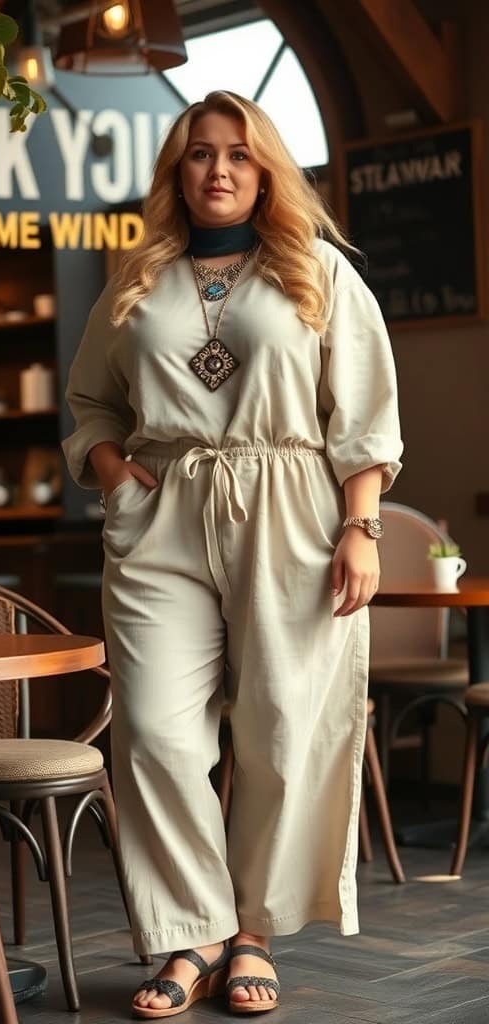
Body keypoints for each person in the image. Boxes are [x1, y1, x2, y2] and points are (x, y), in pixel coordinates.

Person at [62, 90, 403, 1019]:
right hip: (161, 511)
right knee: (156, 730)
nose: (219, 170)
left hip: (289, 511)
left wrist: (360, 526)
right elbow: (90, 401)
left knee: (283, 732)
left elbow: (364, 415)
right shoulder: (136, 282)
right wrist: (111, 469)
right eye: (201, 154)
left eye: (239, 156)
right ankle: (190, 933)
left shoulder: (319, 273)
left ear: (265, 171)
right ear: (178, 171)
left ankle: (248, 931)